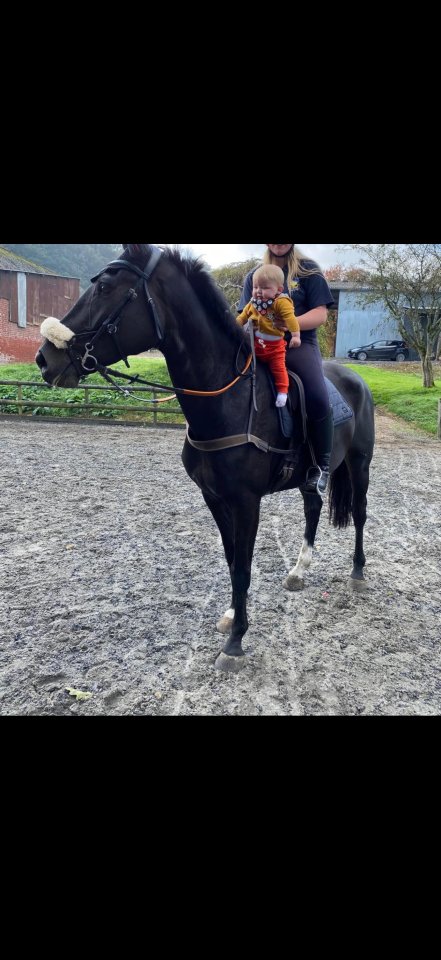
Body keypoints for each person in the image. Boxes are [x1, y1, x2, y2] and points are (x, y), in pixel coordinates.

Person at [238, 244, 335, 495]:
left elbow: (321, 314)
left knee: (316, 395)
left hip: (297, 343)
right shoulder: (254, 276)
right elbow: (244, 314)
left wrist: (289, 325)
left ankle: (321, 466)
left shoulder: (308, 271)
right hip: (259, 342)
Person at [237, 264, 301, 408]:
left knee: (279, 368)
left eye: (265, 288)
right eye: (256, 287)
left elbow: (290, 319)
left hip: (275, 347)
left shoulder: (281, 302)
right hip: (256, 344)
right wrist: (232, 327)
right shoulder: (253, 303)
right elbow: (242, 317)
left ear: (279, 290)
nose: (259, 291)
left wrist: (296, 336)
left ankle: (282, 391)